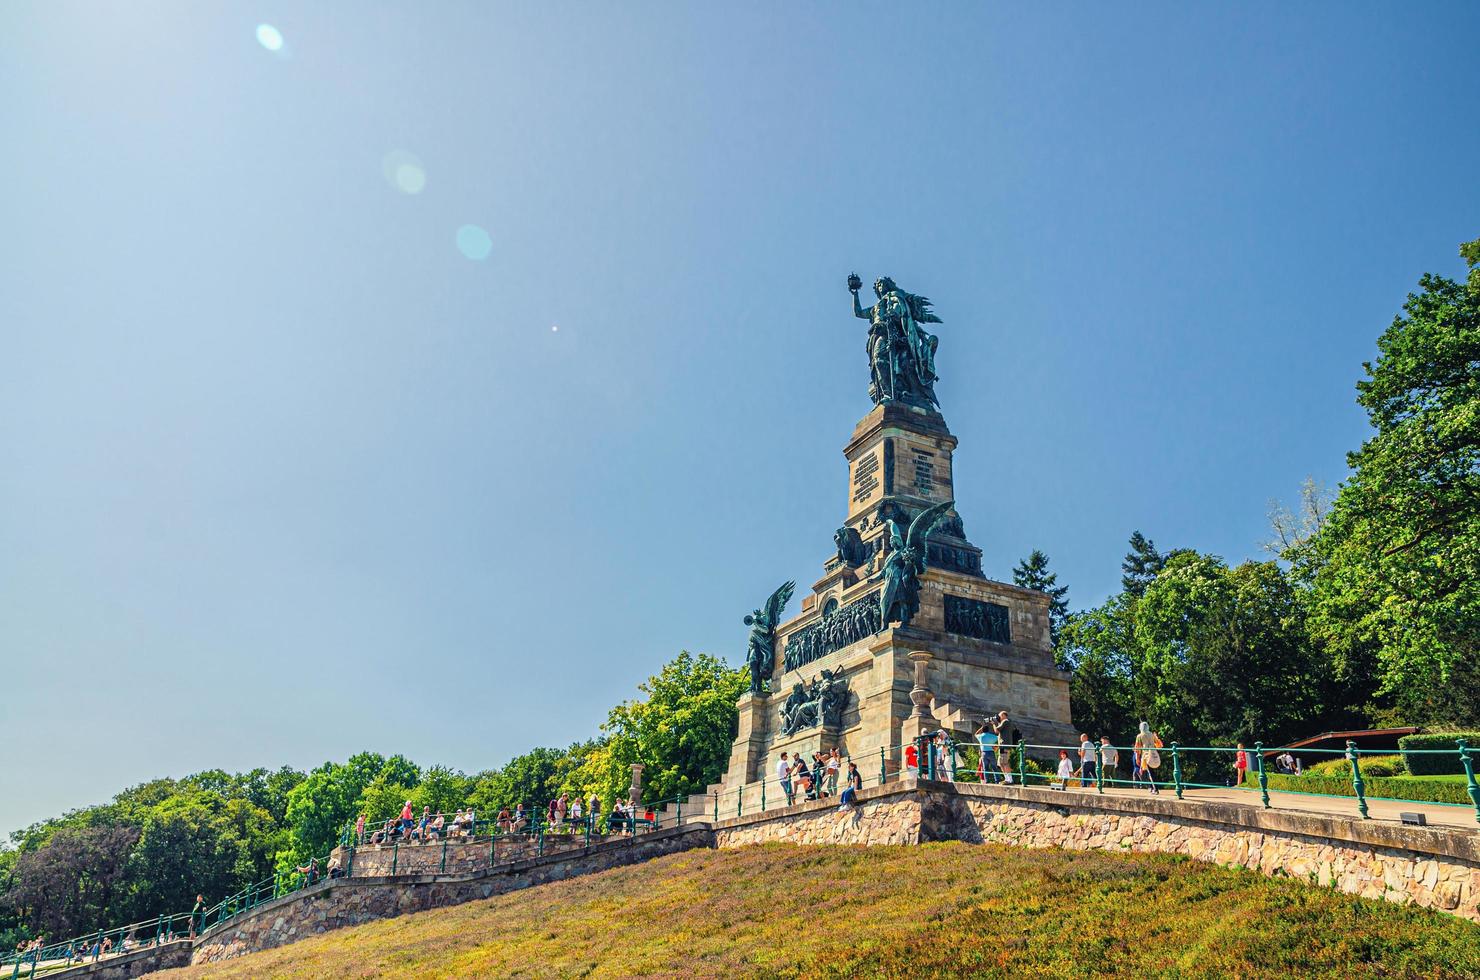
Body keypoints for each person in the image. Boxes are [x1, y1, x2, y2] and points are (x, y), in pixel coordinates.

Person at [1134, 722, 1164, 795]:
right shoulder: (1151, 734)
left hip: (1146, 755)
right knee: (1151, 771)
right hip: (1154, 753)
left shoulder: (1139, 736)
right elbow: (1159, 745)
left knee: (1150, 772)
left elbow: (1137, 749)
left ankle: (1155, 789)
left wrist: (1137, 758)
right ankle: (1151, 787)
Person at [975, 719, 999, 783]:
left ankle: (987, 781)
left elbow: (976, 733)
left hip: (984, 753)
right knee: (994, 768)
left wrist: (981, 727)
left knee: (985, 768)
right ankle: (997, 781)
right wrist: (993, 724)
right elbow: (998, 737)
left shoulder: (980, 736)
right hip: (991, 752)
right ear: (988, 730)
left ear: (982, 730)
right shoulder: (992, 736)